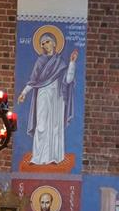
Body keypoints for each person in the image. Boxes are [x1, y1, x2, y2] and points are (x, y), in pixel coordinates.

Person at [17, 31, 77, 166]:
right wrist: (24, 93)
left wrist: (72, 63)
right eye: (43, 43)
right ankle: (38, 157)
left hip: (57, 96)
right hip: (43, 94)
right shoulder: (40, 61)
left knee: (55, 125)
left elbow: (68, 80)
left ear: (54, 43)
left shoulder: (60, 62)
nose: (45, 45)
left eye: (47, 41)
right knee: (41, 125)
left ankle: (55, 157)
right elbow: (33, 80)